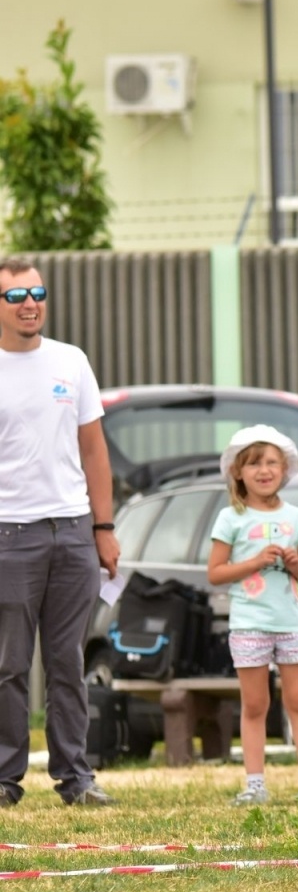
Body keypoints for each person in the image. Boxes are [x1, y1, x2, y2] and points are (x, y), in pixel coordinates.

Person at [0, 259, 119, 808]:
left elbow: (94, 450)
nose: (29, 303)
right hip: (10, 535)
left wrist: (104, 527)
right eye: (15, 294)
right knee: (10, 665)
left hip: (73, 532)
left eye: (37, 292)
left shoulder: (71, 361)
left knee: (68, 661)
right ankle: (5, 779)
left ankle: (76, 778)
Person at [207, 425, 298, 804]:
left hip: (291, 622)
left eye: (272, 462)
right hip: (249, 623)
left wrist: (293, 563)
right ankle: (254, 785)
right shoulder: (230, 518)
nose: (264, 470)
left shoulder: (297, 516)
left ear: (284, 469)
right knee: (255, 705)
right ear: (238, 472)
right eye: (254, 463)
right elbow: (216, 573)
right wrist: (255, 561)